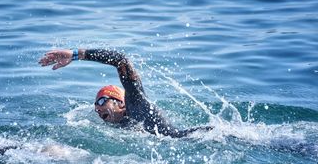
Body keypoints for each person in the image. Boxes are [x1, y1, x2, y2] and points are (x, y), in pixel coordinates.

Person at [39, 48, 213, 138]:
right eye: (95, 105)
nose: (97, 108)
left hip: (192, 138)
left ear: (119, 102)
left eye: (102, 101)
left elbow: (120, 60)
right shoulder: (118, 125)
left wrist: (76, 54)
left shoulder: (136, 103)